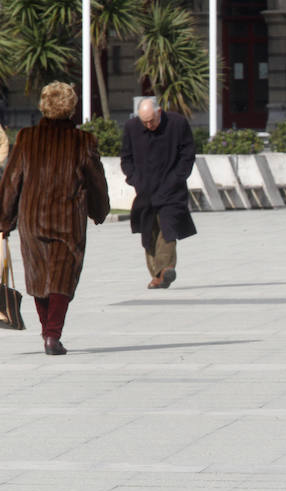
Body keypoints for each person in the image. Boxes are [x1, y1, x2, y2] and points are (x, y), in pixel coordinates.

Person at [0, 82, 109, 355]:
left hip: (32, 219)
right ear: (71, 107)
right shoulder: (83, 141)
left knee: (38, 279)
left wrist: (4, 219)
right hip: (67, 220)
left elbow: (12, 180)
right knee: (62, 280)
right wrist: (99, 211)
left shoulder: (27, 137)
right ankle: (52, 335)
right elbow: (96, 182)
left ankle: (47, 332)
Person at [121, 97, 197, 289]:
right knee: (149, 233)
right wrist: (134, 179)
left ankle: (163, 272)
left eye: (152, 121)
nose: (149, 125)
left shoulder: (177, 124)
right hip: (145, 190)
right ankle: (160, 272)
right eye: (144, 122)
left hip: (172, 189)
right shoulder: (131, 127)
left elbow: (188, 154)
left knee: (168, 229)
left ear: (159, 112)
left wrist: (178, 177)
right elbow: (126, 157)